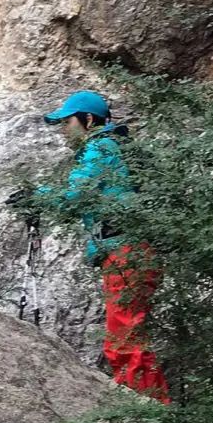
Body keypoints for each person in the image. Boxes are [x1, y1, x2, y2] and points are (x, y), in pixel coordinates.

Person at [40, 89, 170, 403]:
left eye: (66, 121)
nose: (63, 129)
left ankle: (150, 417)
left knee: (124, 341)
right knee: (127, 336)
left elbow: (76, 193)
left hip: (124, 253)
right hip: (136, 251)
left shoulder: (100, 147)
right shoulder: (119, 147)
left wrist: (35, 197)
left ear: (87, 119)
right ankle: (148, 412)